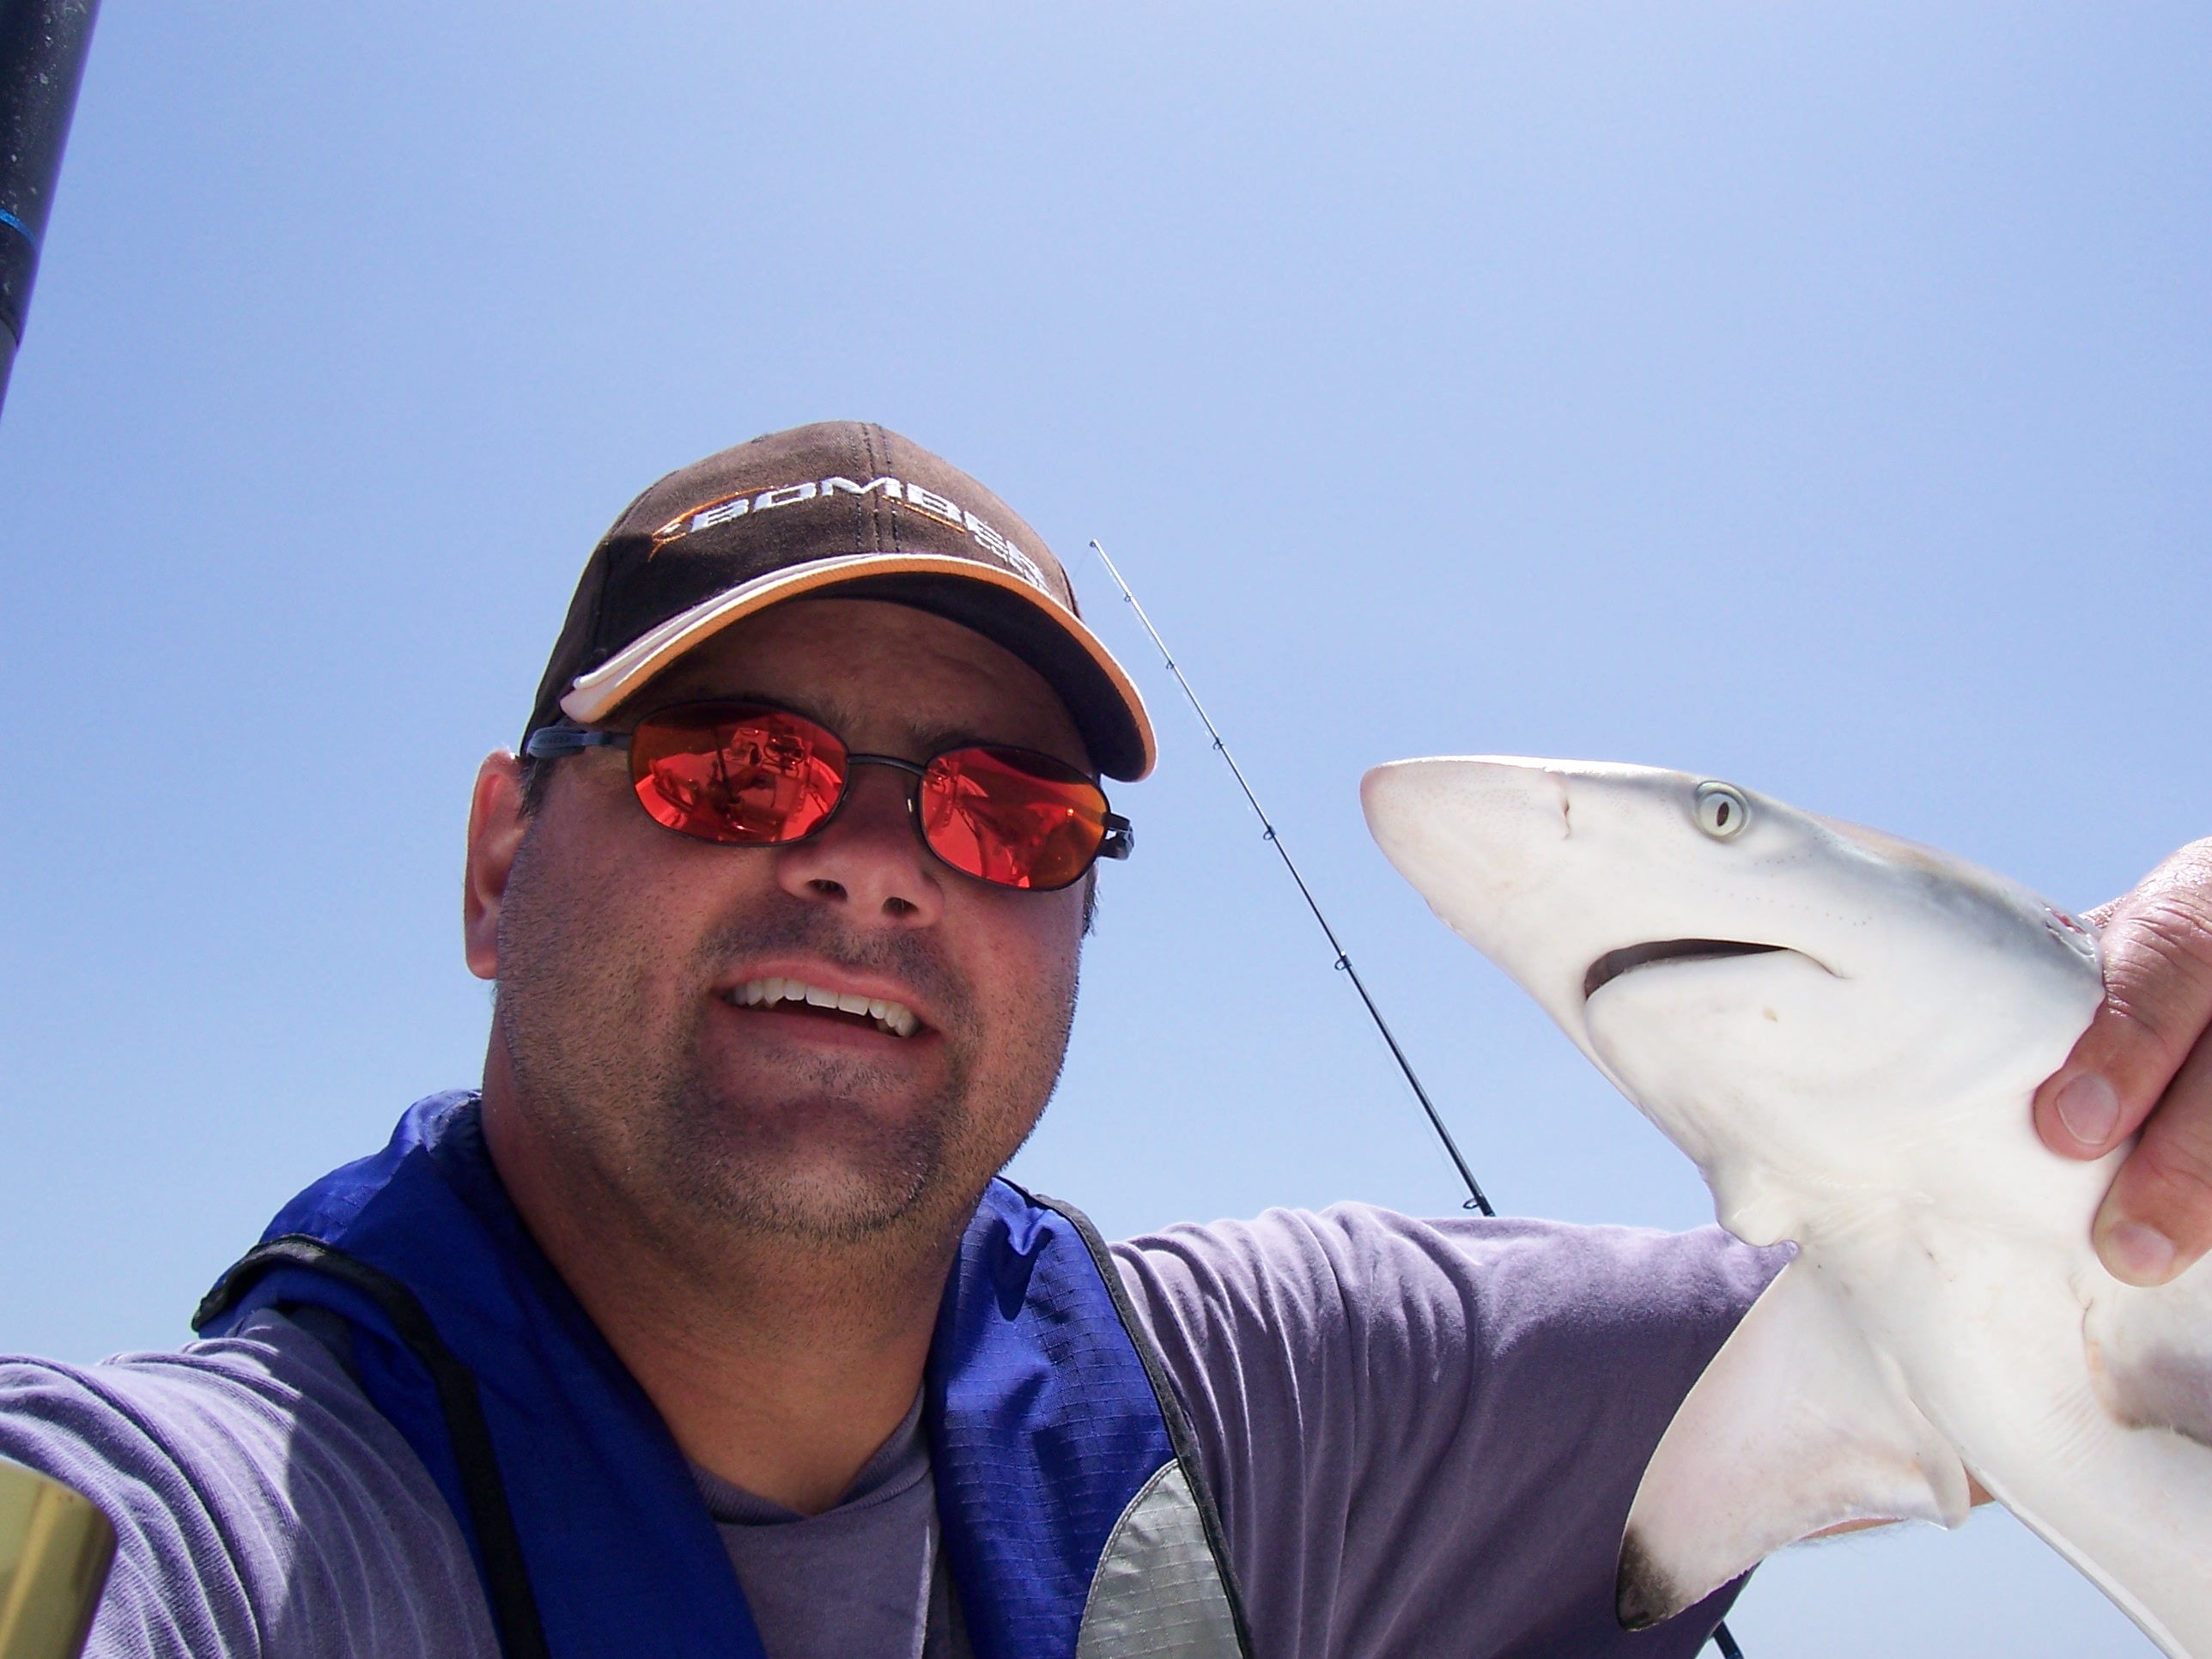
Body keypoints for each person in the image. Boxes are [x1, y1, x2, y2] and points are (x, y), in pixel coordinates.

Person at [3, 422, 2208, 1659]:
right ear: (500, 860)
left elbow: (1952, 1286)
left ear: (1074, 916)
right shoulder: (246, 1537)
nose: (876, 867)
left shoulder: (1292, 1407)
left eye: (1003, 810)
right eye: (733, 770)